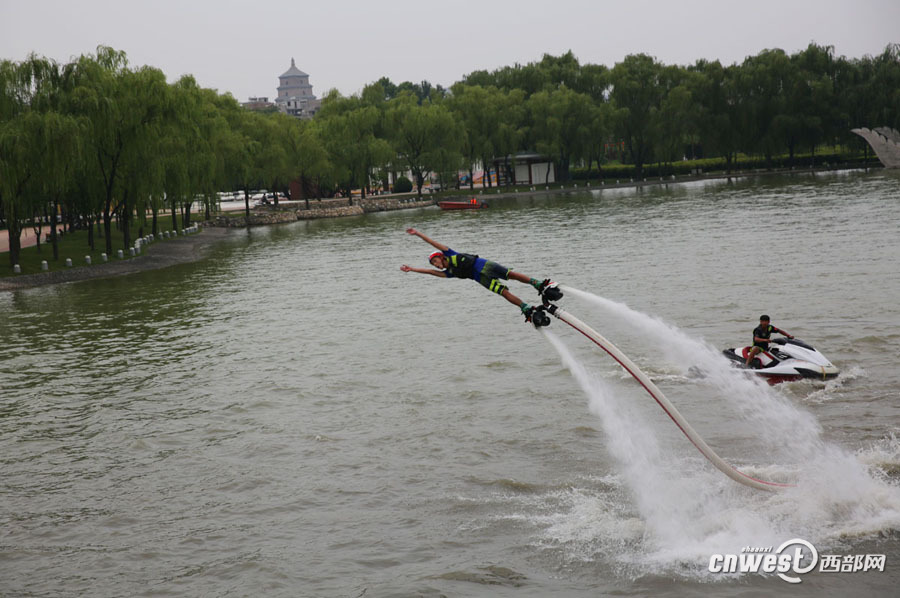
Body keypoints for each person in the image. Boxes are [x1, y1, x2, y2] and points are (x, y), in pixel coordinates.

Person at [400, 228, 561, 325]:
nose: (435, 265)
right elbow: (429, 273)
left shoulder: (449, 253)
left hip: (484, 265)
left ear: (441, 257)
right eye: (433, 264)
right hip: (480, 278)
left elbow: (432, 242)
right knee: (504, 293)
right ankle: (525, 307)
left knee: (510, 275)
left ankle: (537, 284)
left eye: (435, 261)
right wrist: (412, 269)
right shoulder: (448, 273)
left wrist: (418, 234)